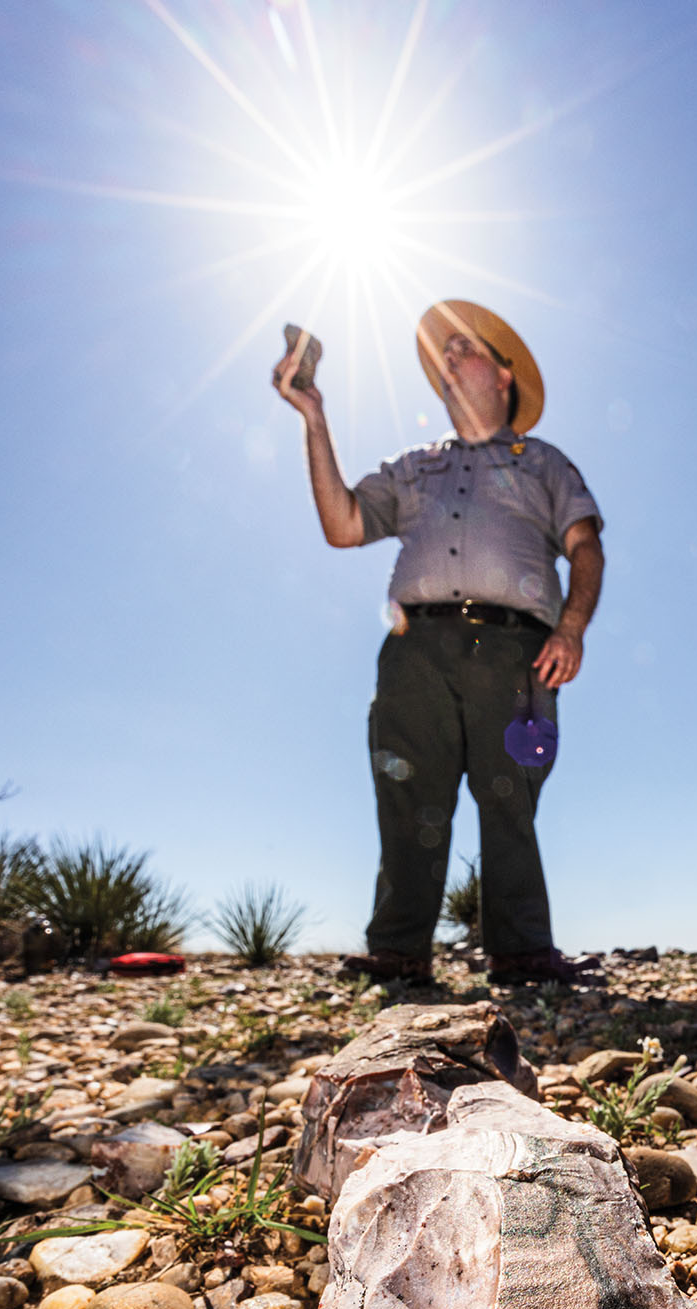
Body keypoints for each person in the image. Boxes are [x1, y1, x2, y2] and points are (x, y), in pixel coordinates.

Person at [272, 298, 605, 987]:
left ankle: (521, 954)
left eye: (465, 348)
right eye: (443, 352)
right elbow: (342, 524)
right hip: (414, 649)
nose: (448, 357)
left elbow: (585, 544)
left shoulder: (542, 461)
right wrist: (315, 416)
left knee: (509, 796)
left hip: (519, 652)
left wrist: (572, 626)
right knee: (406, 793)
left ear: (504, 375)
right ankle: (397, 951)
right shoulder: (411, 466)